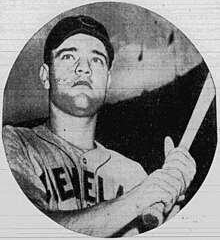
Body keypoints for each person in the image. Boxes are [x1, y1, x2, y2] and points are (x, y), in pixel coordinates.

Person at [2, 15, 196, 237]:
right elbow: (27, 229)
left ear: (108, 80)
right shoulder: (15, 144)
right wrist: (140, 198)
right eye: (68, 56)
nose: (83, 68)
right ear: (46, 76)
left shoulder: (133, 174)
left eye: (96, 60)